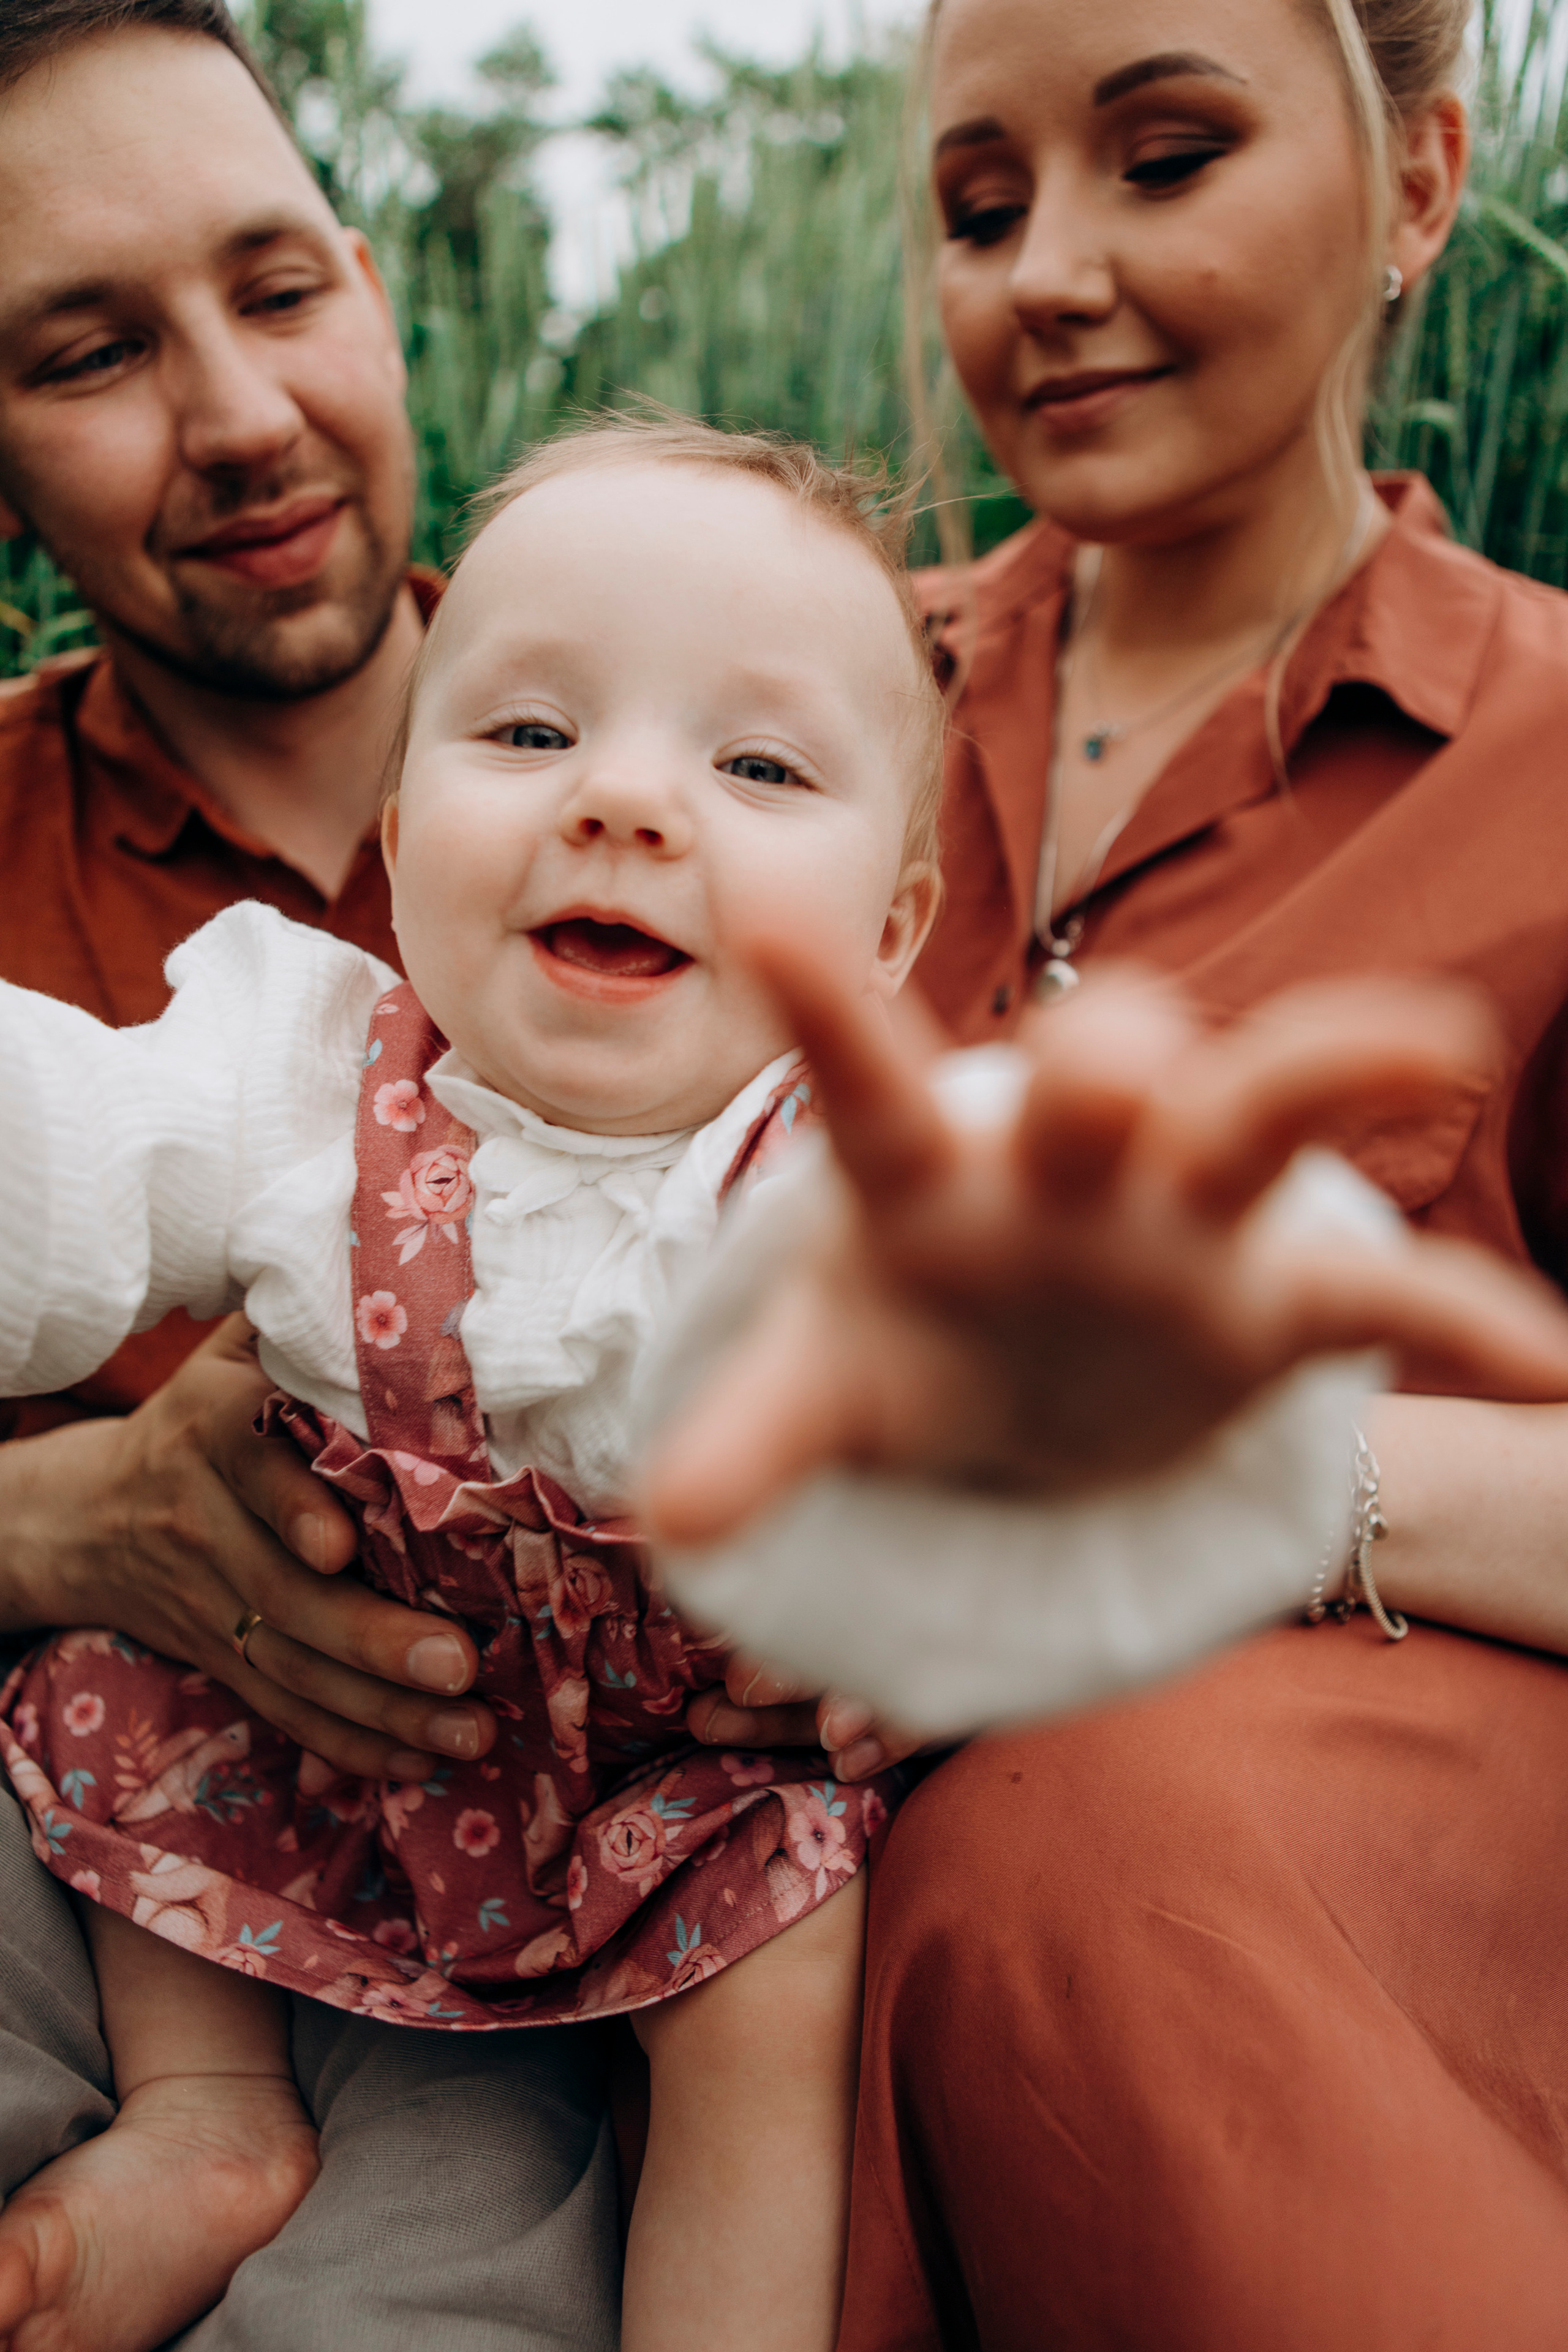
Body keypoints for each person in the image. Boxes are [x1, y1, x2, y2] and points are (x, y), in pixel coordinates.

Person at [6, 409, 1566, 2352]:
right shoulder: (295, 1078)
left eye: (753, 766)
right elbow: (62, 1154)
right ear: (403, 849)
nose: (625, 802)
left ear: (893, 934)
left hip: (685, 1782)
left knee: (781, 1979)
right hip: (338, 1730)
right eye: (528, 734)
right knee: (129, 1700)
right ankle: (209, 2117)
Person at [657, 0, 1568, 2342]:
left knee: (1103, 1831)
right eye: (978, 209)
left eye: (1164, 158)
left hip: (1293, 1957)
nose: (1045, 271)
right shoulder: (778, 707)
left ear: (1424, 181)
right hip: (748, 1995)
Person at [0, 9, 621, 2348]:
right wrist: (62, 1523)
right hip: (98, 1851)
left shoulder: (709, 783)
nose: (243, 416)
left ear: (373, 286)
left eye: (277, 291)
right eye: (90, 353)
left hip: (589, 1897)